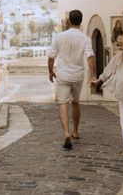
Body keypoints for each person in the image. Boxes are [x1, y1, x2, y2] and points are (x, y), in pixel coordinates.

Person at [48, 9, 96, 149]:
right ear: (81, 21)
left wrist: (51, 72)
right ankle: (75, 131)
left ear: (69, 20)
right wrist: (94, 75)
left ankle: (66, 133)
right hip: (77, 75)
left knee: (63, 103)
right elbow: (90, 57)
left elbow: (51, 57)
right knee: (75, 102)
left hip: (63, 75)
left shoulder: (59, 36)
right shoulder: (85, 39)